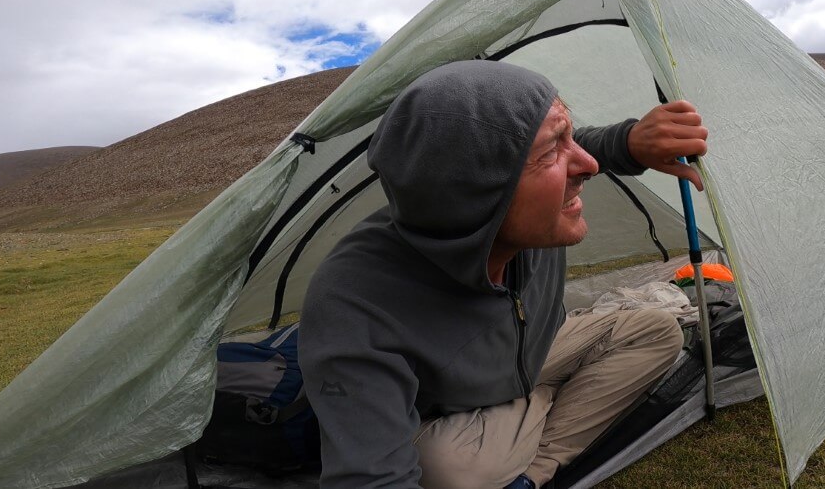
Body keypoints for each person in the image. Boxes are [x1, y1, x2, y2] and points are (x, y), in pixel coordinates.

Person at [299, 60, 708, 488]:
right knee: (450, 473)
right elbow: (371, 480)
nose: (587, 164)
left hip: (531, 352)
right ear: (478, 189)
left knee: (657, 331)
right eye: (553, 149)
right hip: (449, 408)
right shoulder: (353, 302)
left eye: (568, 133)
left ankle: (530, 456)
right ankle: (529, 430)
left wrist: (627, 143)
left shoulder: (513, 213)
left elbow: (554, 148)